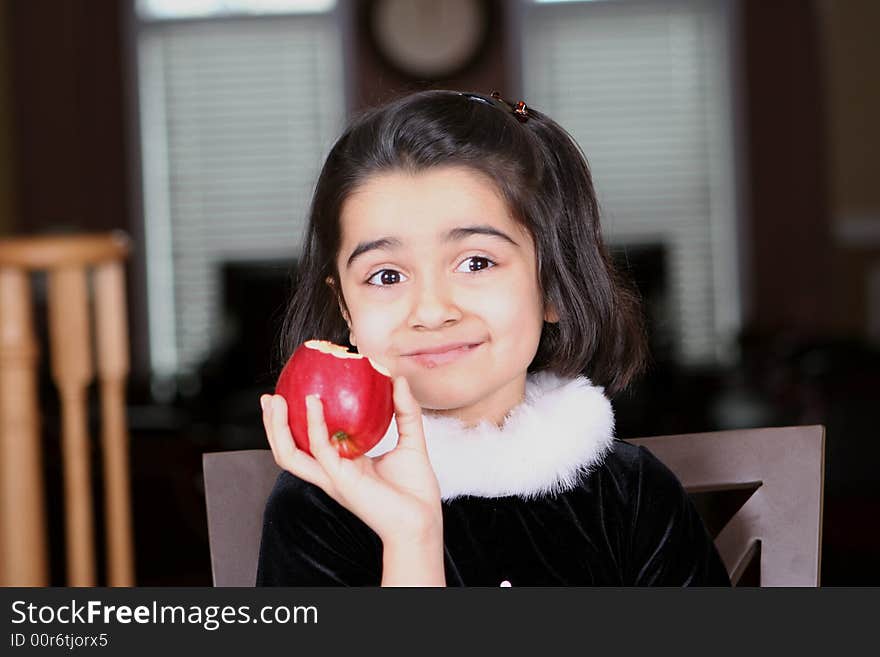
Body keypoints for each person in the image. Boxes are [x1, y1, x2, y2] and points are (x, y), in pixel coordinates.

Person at [255, 90, 731, 586]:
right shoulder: (316, 506)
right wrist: (411, 540)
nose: (433, 311)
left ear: (552, 285)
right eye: (387, 276)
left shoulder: (633, 495)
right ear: (345, 310)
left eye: (476, 263)